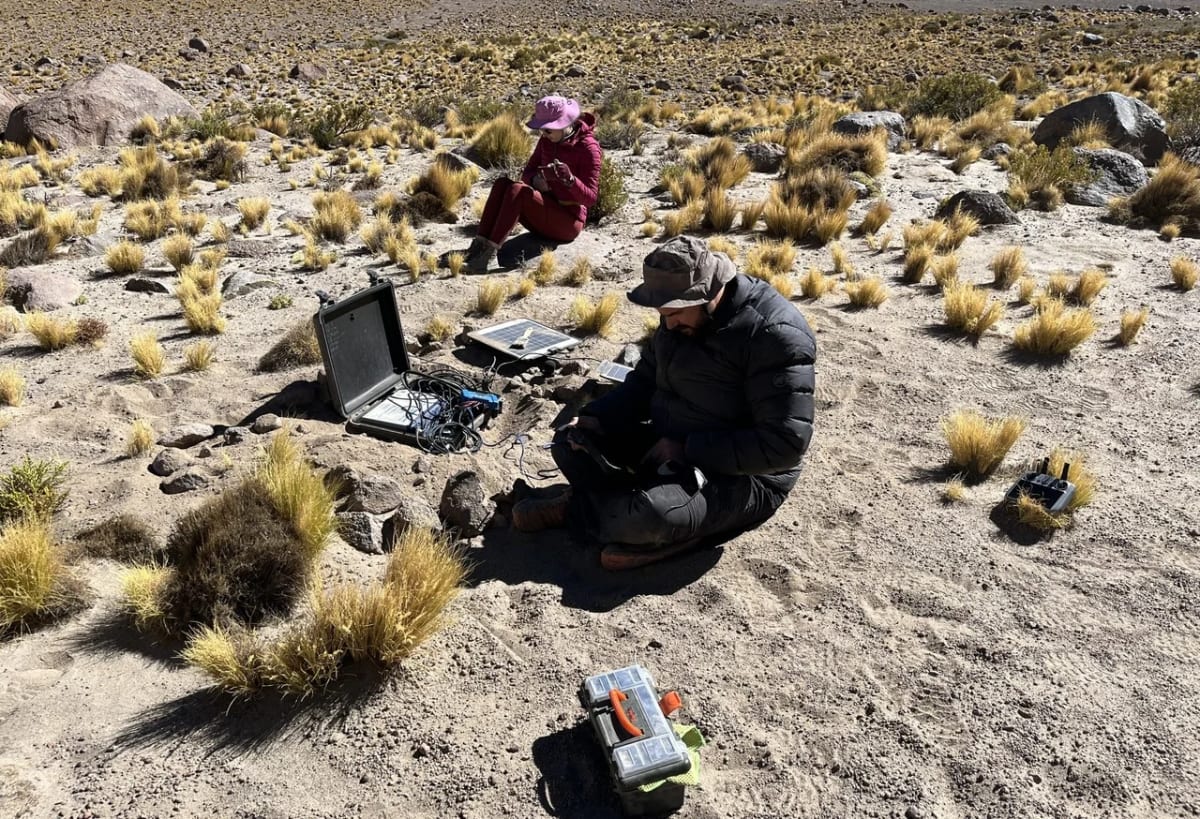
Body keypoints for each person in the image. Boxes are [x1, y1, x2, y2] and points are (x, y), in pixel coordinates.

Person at [511, 235, 816, 570]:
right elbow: (644, 381)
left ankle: (591, 513)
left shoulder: (774, 335)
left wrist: (688, 449)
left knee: (653, 515)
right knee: (570, 442)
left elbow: (784, 445)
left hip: (744, 475)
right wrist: (597, 417)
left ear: (707, 294)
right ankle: (617, 516)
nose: (668, 324)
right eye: (663, 313)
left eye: (675, 313)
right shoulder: (681, 316)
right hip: (668, 441)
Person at [462, 95, 602, 273]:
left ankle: (487, 256)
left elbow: (590, 198)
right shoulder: (546, 142)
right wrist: (537, 181)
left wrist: (570, 180)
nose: (544, 134)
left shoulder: (588, 149)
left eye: (548, 130)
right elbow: (527, 173)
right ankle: (477, 248)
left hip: (569, 221)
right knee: (502, 184)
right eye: (541, 129)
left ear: (565, 123)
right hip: (545, 208)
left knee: (518, 190)